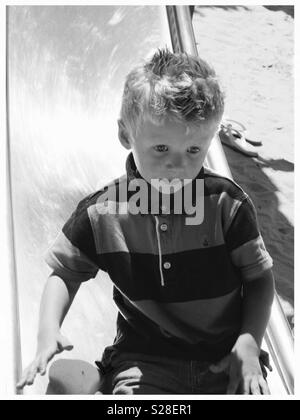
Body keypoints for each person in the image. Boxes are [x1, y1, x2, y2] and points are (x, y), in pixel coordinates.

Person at [17, 48, 274, 395]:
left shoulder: (227, 205)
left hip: (226, 357)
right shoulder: (103, 212)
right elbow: (65, 273)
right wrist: (48, 329)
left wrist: (247, 343)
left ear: (210, 140)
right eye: (162, 149)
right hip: (144, 362)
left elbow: (259, 278)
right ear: (127, 135)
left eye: (193, 151)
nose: (178, 165)